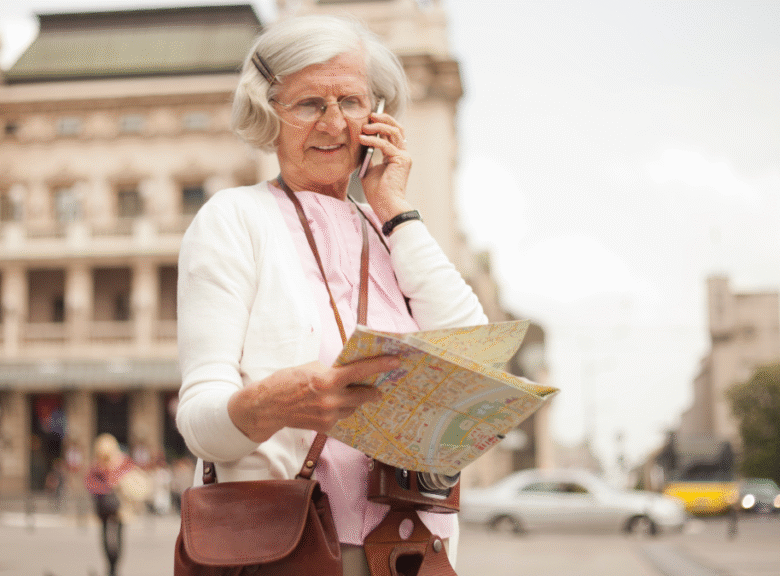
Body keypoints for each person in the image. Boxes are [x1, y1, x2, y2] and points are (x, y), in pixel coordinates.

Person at [175, 14, 487, 574]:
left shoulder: (390, 229)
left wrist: (394, 207)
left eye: (351, 102)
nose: (335, 123)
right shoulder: (233, 219)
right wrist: (267, 405)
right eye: (309, 104)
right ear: (267, 115)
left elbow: (473, 347)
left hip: (414, 550)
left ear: (378, 117)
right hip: (293, 546)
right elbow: (198, 420)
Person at [84, 434, 150, 576]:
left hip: (121, 507)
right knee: (108, 537)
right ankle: (111, 566)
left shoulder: (121, 463)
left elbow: (132, 477)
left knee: (117, 536)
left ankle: (113, 568)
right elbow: (90, 484)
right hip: (104, 507)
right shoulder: (99, 466)